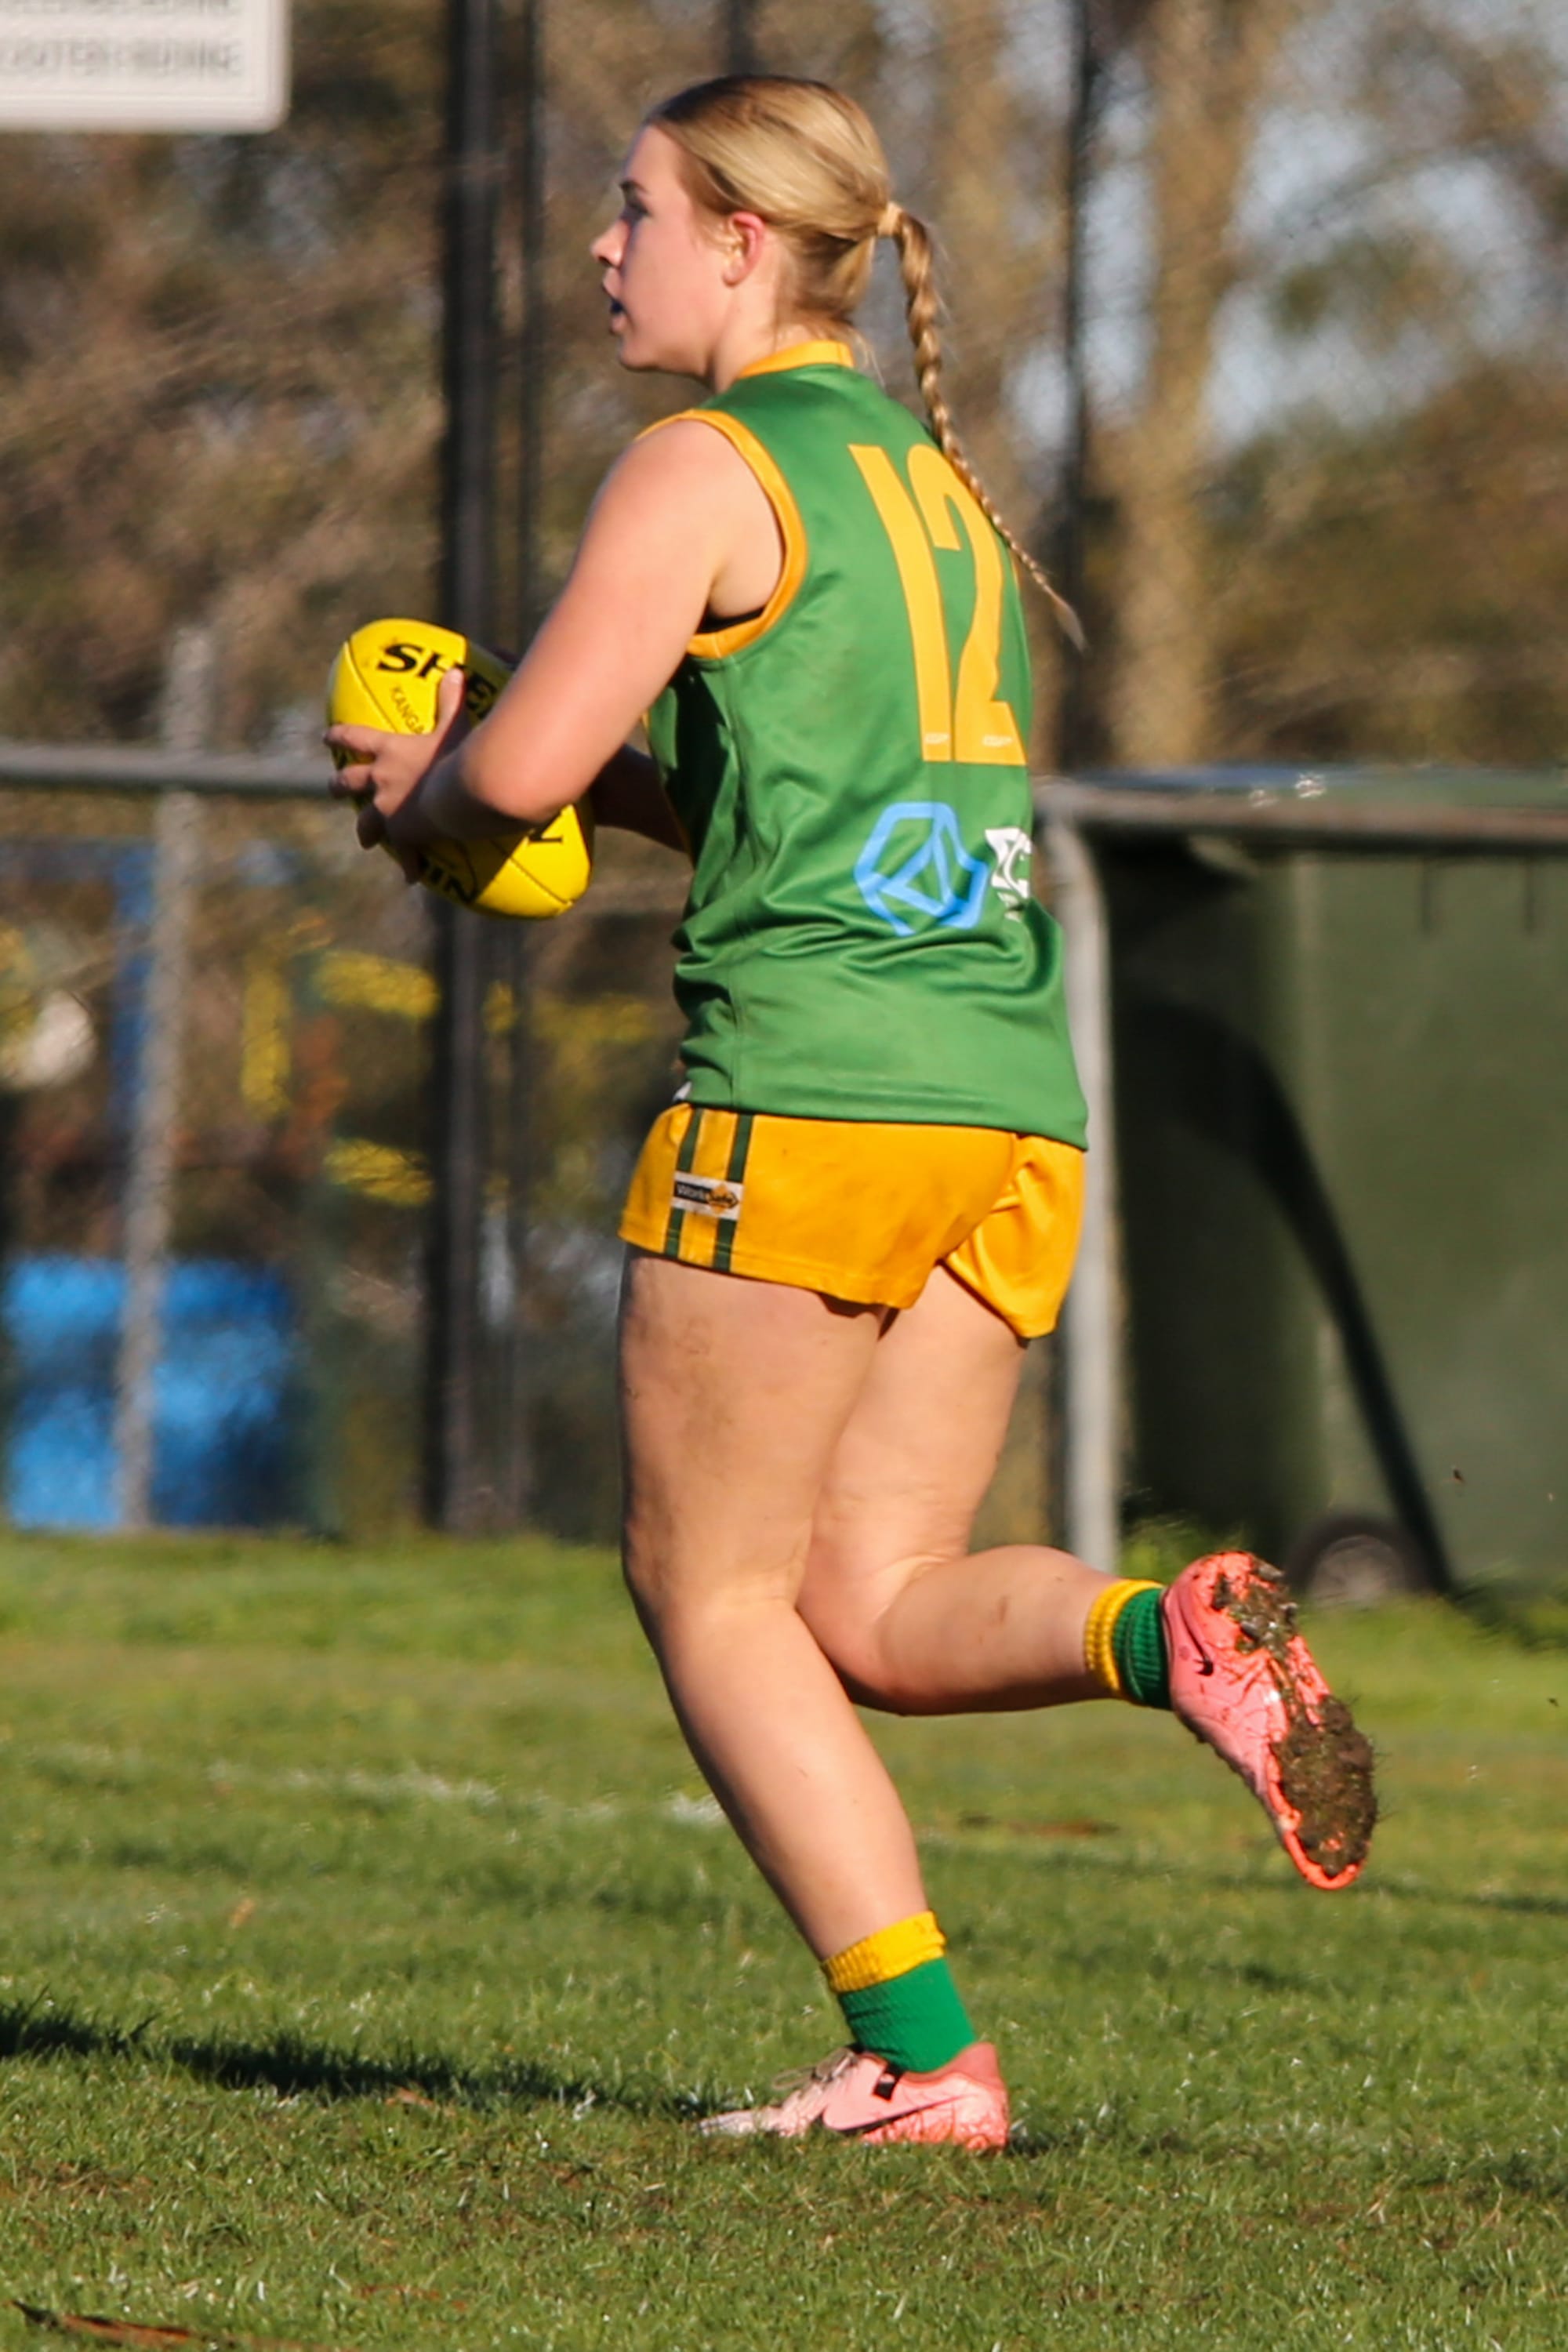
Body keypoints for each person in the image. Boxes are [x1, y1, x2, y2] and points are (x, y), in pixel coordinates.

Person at [327, 74, 1376, 2151]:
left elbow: (522, 775)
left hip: (813, 1093)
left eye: (633, 208)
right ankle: (1164, 1632)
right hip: (1006, 1101)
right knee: (871, 1607)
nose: (602, 246)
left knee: (709, 1596)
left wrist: (426, 782)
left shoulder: (698, 466)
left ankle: (924, 2059)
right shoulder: (930, 481)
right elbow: (747, 801)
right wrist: (534, 781)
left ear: (741, 242)